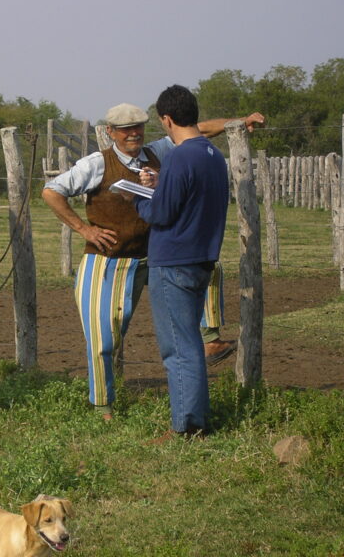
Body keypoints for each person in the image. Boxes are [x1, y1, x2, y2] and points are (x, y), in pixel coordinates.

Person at [42, 101, 263, 420]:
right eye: (125, 129)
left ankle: (210, 339)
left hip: (154, 256)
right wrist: (84, 229)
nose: (133, 133)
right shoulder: (96, 163)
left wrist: (238, 123)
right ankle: (102, 404)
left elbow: (198, 130)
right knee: (103, 336)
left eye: (138, 127)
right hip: (109, 259)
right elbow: (52, 191)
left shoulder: (159, 151)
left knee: (209, 268)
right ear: (110, 132)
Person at [134, 84, 230, 436]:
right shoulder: (212, 155)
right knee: (190, 340)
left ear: (167, 119)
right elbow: (191, 196)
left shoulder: (178, 156)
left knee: (178, 348)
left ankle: (187, 426)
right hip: (202, 257)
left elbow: (161, 213)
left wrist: (139, 198)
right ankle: (196, 417)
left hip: (173, 261)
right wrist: (163, 182)